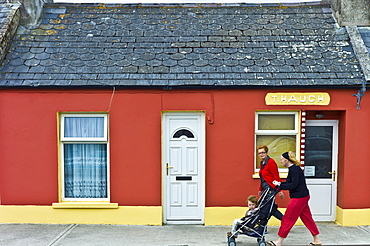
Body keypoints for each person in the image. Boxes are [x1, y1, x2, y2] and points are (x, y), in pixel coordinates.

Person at [267, 151, 322, 246]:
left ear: (286, 160)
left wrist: (280, 185)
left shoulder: (294, 169)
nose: (280, 161)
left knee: (288, 218)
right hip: (303, 196)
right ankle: (317, 240)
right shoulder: (294, 169)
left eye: (281, 159)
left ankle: (278, 242)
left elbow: (293, 185)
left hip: (299, 197)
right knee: (307, 218)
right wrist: (280, 184)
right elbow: (291, 183)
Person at [257, 145, 284, 220]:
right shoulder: (262, 163)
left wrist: (280, 190)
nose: (261, 154)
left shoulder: (271, 162)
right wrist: (260, 189)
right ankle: (285, 221)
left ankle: (262, 227)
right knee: (268, 208)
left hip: (270, 188)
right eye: (259, 153)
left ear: (267, 153)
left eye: (263, 152)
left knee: (265, 207)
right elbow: (262, 178)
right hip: (265, 188)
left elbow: (276, 176)